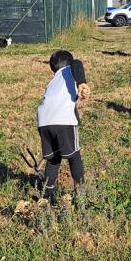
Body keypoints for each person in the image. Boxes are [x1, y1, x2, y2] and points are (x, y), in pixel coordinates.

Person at [36, 50, 90, 202]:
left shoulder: (53, 81)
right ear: (69, 62)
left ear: (52, 68)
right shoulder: (71, 68)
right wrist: (82, 83)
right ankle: (81, 193)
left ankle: (47, 194)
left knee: (54, 158)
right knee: (74, 156)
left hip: (43, 121)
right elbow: (77, 63)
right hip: (63, 121)